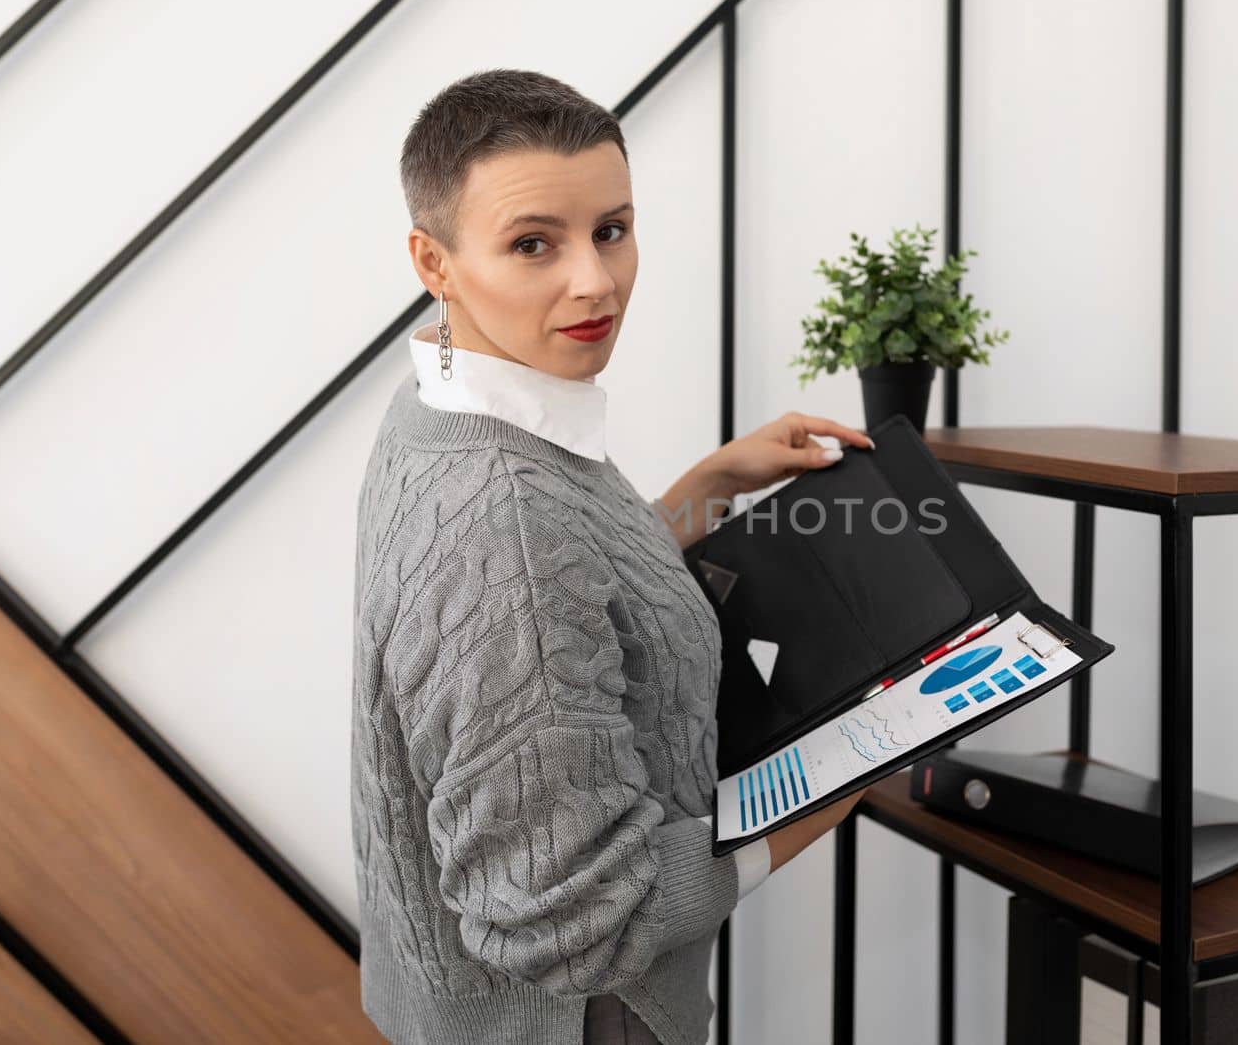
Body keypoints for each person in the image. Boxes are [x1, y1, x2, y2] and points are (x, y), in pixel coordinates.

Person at [349, 67, 873, 1045]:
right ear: (435, 260)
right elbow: (578, 923)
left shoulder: (449, 390)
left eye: (612, 229)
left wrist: (709, 483)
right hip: (576, 1018)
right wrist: (851, 775)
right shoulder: (500, 517)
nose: (593, 280)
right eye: (533, 243)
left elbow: (566, 580)